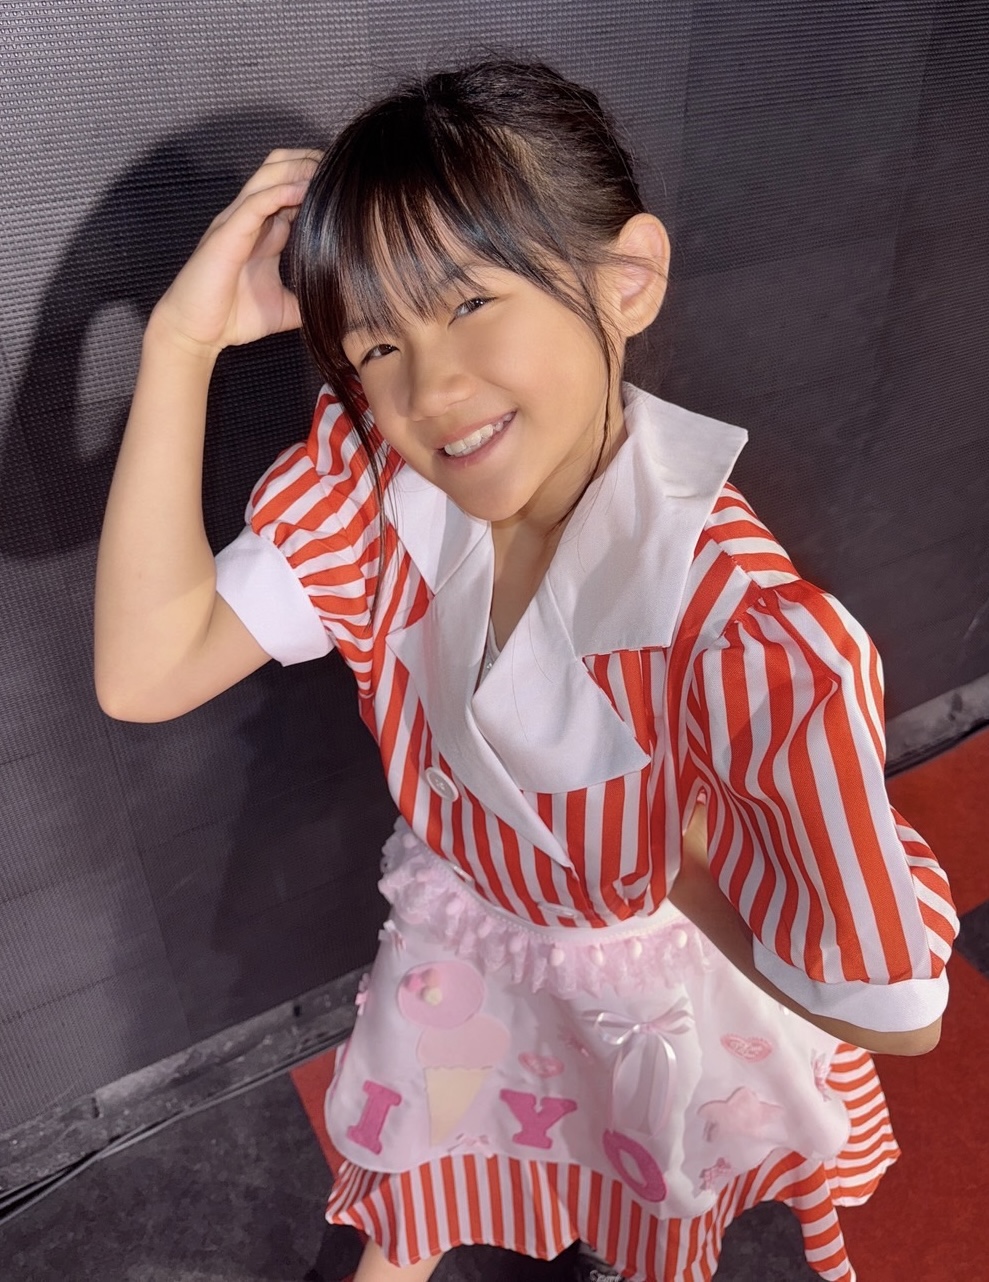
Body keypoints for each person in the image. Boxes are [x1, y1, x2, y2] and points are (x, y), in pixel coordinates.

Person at [95, 59, 957, 1282]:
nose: (431, 390)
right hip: (468, 946)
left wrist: (674, 867)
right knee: (405, 1203)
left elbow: (897, 1005)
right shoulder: (375, 489)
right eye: (376, 342)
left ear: (625, 279)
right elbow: (146, 669)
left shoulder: (735, 629)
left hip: (650, 985)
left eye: (468, 303)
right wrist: (181, 343)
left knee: (644, 1207)